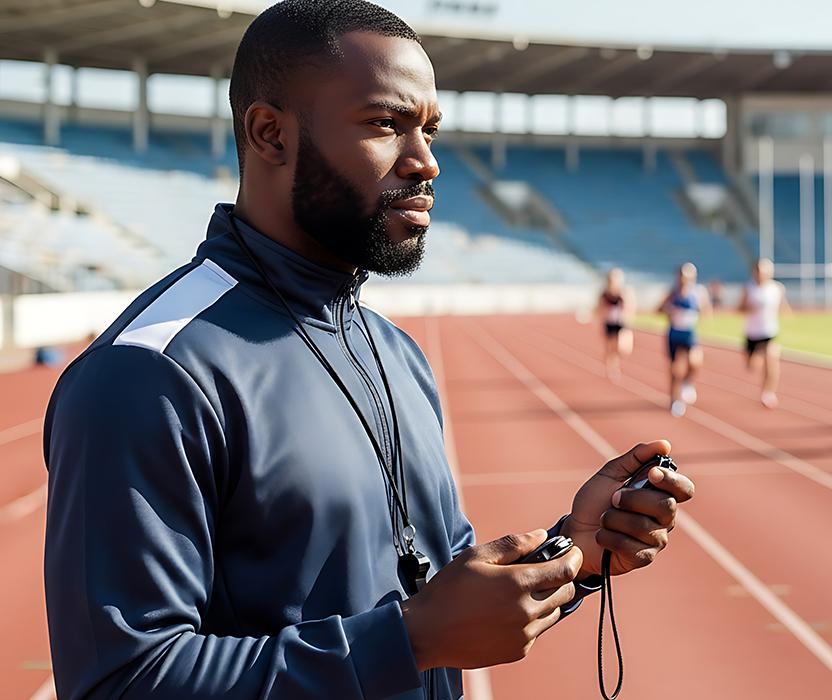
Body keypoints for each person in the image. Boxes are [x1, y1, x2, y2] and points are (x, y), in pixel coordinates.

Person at [42, 4, 696, 700]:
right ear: (270, 134)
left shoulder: (395, 353)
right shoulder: (151, 372)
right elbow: (122, 681)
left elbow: (441, 595)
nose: (427, 162)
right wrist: (413, 640)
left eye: (431, 129)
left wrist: (577, 554)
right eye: (387, 124)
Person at [659, 262, 711, 417]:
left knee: (695, 362)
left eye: (689, 276)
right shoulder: (672, 292)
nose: (685, 278)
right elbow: (660, 308)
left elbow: (705, 308)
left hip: (690, 333)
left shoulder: (699, 292)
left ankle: (687, 382)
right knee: (674, 369)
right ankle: (675, 400)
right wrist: (670, 310)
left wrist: (705, 319)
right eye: (682, 275)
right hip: (674, 333)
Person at [740, 259, 792, 409]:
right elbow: (740, 308)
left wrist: (787, 314)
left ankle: (768, 393)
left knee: (772, 359)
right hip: (752, 333)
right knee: (752, 367)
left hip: (769, 332)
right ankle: (758, 360)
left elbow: (782, 303)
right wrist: (749, 308)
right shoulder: (748, 288)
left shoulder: (777, 288)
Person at [593, 268, 635, 382]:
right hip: (609, 324)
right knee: (610, 350)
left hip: (621, 324)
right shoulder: (604, 294)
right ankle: (612, 369)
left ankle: (615, 363)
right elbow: (598, 308)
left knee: (622, 348)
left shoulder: (624, 293)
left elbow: (630, 308)